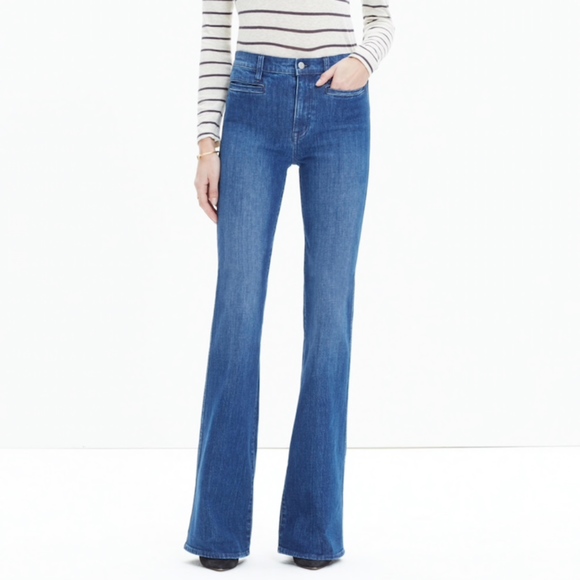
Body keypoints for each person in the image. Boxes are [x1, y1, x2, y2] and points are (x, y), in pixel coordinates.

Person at [184, 0, 395, 572]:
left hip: (340, 105)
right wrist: (206, 145)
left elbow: (381, 17)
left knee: (330, 320)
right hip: (252, 99)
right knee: (237, 314)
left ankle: (314, 528)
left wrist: (364, 61)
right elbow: (215, 34)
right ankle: (218, 529)